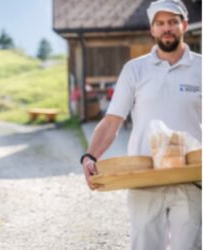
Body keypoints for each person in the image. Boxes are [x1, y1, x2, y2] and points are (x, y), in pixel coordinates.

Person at [80, 0, 201, 249]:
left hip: (191, 177)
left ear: (184, 25)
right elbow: (113, 120)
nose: (166, 28)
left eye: (172, 22)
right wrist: (90, 155)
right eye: (160, 23)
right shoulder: (135, 70)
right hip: (144, 176)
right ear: (152, 30)